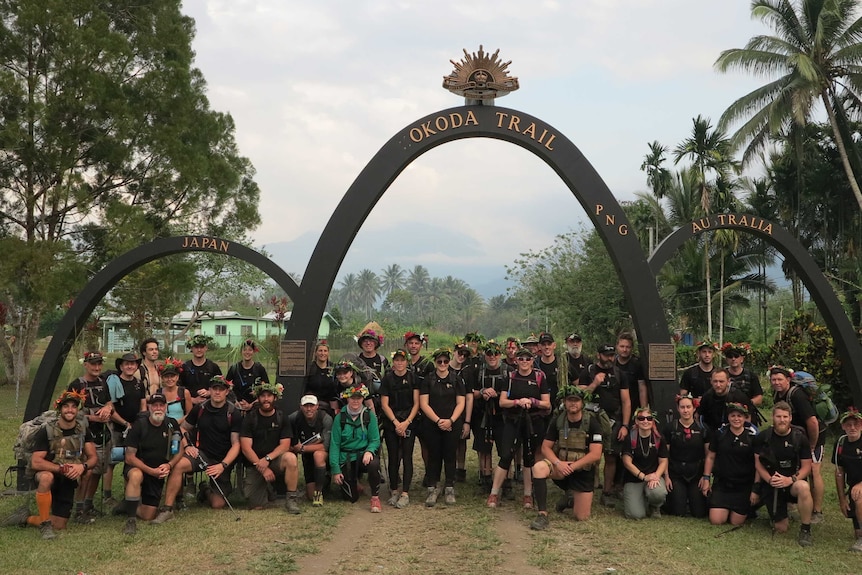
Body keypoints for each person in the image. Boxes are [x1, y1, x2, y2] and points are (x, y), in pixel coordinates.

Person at [2, 390, 97, 539]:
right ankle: (45, 525)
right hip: (48, 473)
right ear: (60, 409)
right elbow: (36, 462)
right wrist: (60, 468)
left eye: (73, 406)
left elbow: (93, 458)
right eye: (66, 406)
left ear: (77, 409)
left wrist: (82, 467)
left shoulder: (83, 430)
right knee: (47, 477)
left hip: (68, 477)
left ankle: (26, 518)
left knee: (60, 525)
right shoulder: (46, 431)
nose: (70, 410)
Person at [151, 375, 242, 524]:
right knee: (178, 465)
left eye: (221, 389)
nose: (217, 392)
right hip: (201, 454)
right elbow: (182, 427)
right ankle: (167, 509)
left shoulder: (233, 413)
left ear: (227, 391)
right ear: (209, 390)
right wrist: (187, 445)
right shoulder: (200, 408)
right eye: (214, 389)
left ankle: (205, 489)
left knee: (218, 504)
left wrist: (223, 465)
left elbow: (236, 444)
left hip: (222, 459)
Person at [530, 385, 603, 529]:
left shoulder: (592, 422)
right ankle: (542, 514)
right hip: (561, 467)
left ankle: (569, 500)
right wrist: (558, 463)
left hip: (582, 471)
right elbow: (545, 447)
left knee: (581, 517)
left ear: (582, 403)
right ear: (565, 402)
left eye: (576, 400)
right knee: (539, 468)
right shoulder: (558, 420)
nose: (573, 403)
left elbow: (595, 454)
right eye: (570, 400)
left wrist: (572, 466)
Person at [488, 348, 551, 510]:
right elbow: (502, 402)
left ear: (532, 361)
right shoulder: (510, 377)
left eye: (527, 359)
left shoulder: (539, 377)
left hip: (533, 422)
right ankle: (494, 492)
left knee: (529, 458)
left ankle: (528, 495)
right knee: (506, 455)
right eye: (521, 359)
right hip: (512, 421)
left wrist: (532, 401)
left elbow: (547, 403)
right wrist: (517, 402)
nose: (524, 362)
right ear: (516, 361)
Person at [120, 393, 183, 535]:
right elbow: (129, 457)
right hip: (140, 466)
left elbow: (180, 450)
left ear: (166, 407)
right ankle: (131, 521)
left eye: (161, 405)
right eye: (155, 405)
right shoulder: (139, 425)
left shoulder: (172, 423)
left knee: (148, 515)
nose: (158, 408)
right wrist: (150, 471)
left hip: (158, 472)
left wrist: (170, 465)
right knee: (136, 475)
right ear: (149, 407)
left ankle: (129, 503)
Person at [754, 400, 815, 546]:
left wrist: (790, 479)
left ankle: (806, 529)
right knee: (781, 528)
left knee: (803, 487)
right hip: (771, 484)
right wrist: (769, 480)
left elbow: (807, 467)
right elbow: (758, 464)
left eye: (785, 417)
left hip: (791, 483)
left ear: (790, 418)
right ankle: (780, 514)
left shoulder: (800, 437)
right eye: (778, 416)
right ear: (773, 417)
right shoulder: (763, 437)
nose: (782, 420)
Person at [770, 365, 825, 523]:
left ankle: (817, 511)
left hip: (814, 435)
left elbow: (813, 422)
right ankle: (792, 502)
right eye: (773, 380)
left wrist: (812, 445)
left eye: (780, 379)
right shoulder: (777, 394)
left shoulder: (796, 395)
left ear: (788, 380)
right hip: (797, 437)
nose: (776, 382)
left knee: (813, 470)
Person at [580, 343, 630, 505]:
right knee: (589, 456)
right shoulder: (588, 372)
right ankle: (584, 488)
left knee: (611, 456)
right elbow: (579, 396)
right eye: (606, 355)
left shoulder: (619, 374)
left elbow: (626, 401)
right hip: (591, 418)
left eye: (611, 355)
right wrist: (594, 383)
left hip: (614, 420)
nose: (609, 358)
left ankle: (607, 492)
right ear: (598, 355)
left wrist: (625, 425)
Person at [66, 351, 113, 523]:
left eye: (99, 363)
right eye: (93, 364)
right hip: (84, 435)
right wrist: (93, 417)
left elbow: (109, 401)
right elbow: (68, 412)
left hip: (103, 433)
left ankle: (88, 503)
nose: (97, 367)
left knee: (98, 470)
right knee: (87, 471)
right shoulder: (76, 384)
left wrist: (108, 408)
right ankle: (77, 507)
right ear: (85, 364)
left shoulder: (103, 382)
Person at [420, 347, 467, 507]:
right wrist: (438, 421)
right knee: (434, 455)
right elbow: (423, 403)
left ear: (448, 362)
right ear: (435, 362)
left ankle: (449, 487)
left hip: (452, 423)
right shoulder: (428, 380)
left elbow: (461, 403)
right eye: (439, 361)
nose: (442, 364)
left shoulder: (456, 379)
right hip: (432, 423)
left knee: (450, 455)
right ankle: (432, 488)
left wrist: (451, 421)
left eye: (445, 361)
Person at [240, 380, 296, 512]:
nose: (266, 399)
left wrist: (267, 459)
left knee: (291, 458)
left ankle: (292, 499)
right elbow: (246, 448)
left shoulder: (282, 417)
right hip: (255, 463)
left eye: (269, 396)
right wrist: (262, 468)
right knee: (256, 505)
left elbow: (285, 445)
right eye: (263, 396)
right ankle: (269, 489)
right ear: (258, 398)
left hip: (274, 460)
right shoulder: (250, 418)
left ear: (275, 398)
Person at [701, 402, 759, 526]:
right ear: (728, 417)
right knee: (716, 521)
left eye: (739, 416)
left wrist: (755, 489)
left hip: (743, 486)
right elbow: (710, 457)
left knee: (735, 522)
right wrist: (706, 478)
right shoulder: (720, 434)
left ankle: (747, 509)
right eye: (733, 415)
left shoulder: (752, 436)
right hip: (722, 484)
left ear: (745, 418)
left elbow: (758, 464)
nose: (736, 419)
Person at [330, 384, 382, 513]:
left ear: (362, 399)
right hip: (346, 458)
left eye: (358, 398)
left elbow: (375, 439)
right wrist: (335, 469)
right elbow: (335, 444)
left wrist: (369, 451)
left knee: (374, 463)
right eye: (352, 398)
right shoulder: (339, 418)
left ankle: (375, 497)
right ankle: (355, 484)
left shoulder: (369, 416)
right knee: (351, 498)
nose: (355, 401)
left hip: (362, 455)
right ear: (347, 398)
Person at [104, 352, 146, 508]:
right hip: (116, 427)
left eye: (133, 364)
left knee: (132, 461)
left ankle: (129, 493)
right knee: (112, 461)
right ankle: (107, 496)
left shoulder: (138, 383)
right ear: (121, 366)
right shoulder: (113, 382)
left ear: (136, 366)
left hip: (135, 428)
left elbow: (143, 404)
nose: (130, 366)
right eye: (127, 364)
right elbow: (110, 407)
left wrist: (140, 422)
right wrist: (125, 423)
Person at [379, 349, 420, 508]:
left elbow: (416, 403)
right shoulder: (387, 379)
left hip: (409, 421)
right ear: (393, 362)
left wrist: (407, 422)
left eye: (402, 360)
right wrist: (396, 423)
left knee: (407, 456)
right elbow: (384, 404)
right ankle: (394, 490)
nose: (399, 363)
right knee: (393, 457)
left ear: (406, 361)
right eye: (396, 360)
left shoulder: (413, 378)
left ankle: (405, 493)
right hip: (392, 422)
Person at [662, 394, 709, 518]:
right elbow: (664, 455)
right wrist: (666, 476)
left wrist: (705, 477)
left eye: (688, 407)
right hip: (676, 473)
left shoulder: (703, 429)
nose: (685, 410)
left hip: (696, 474)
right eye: (682, 407)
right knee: (678, 512)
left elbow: (708, 455)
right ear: (678, 408)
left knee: (699, 513)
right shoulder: (670, 428)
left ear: (694, 408)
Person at [472, 341, 508, 492]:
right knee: (484, 448)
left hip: (503, 416)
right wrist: (482, 392)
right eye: (489, 354)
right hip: (482, 415)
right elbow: (471, 392)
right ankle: (485, 478)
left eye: (495, 354)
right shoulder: (478, 371)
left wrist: (497, 394)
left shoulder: (508, 371)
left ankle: (507, 481)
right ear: (484, 355)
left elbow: (515, 392)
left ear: (500, 355)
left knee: (505, 449)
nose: (492, 357)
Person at [621, 406, 668, 519]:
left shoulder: (658, 438)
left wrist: (656, 476)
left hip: (653, 477)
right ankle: (639, 500)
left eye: (649, 418)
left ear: (653, 421)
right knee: (635, 515)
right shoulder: (630, 438)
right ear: (636, 421)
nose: (645, 421)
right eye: (641, 418)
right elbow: (627, 462)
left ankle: (654, 506)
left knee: (658, 493)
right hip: (634, 479)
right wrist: (643, 477)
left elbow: (663, 461)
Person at [287, 395, 333, 506]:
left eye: (311, 406)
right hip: (306, 456)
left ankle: (319, 491)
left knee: (318, 455)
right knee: (309, 496)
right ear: (300, 407)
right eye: (306, 406)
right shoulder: (293, 418)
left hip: (323, 454)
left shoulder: (325, 419)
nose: (309, 409)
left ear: (317, 406)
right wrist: (292, 447)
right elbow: (287, 437)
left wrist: (303, 448)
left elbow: (325, 446)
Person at [833, 407, 862, 552]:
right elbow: (839, 472)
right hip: (852, 487)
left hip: (859, 488)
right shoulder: (841, 443)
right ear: (843, 426)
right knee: (857, 533)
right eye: (848, 424)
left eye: (856, 424)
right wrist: (842, 499)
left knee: (859, 497)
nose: (852, 428)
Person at [449, 342, 475, 484]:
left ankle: (461, 469)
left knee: (461, 442)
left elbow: (469, 396)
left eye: (465, 355)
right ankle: (449, 469)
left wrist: (467, 421)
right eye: (460, 353)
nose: (461, 357)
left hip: (462, 411)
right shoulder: (444, 367)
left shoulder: (467, 372)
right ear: (454, 352)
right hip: (446, 410)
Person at [226, 338, 269, 412]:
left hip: (255, 409)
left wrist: (251, 405)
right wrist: (235, 402)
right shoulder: (234, 369)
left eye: (250, 350)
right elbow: (225, 388)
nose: (247, 352)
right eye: (245, 350)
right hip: (236, 408)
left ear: (254, 352)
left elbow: (267, 390)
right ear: (241, 352)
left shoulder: (259, 369)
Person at [180, 334, 223, 406]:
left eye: (201, 347)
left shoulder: (213, 367)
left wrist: (209, 392)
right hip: (189, 407)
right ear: (191, 348)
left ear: (206, 348)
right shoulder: (185, 367)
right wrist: (192, 400)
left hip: (210, 407)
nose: (199, 350)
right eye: (196, 347)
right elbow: (178, 389)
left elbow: (222, 386)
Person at [721, 342, 764, 407]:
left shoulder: (751, 376)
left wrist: (745, 404)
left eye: (736, 356)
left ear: (742, 359)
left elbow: (759, 398)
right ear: (726, 360)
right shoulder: (721, 375)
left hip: (746, 412)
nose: (733, 359)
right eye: (730, 356)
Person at [615, 332, 649, 409]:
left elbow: (642, 388)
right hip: (616, 406)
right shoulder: (612, 363)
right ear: (617, 346)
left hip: (633, 405)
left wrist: (644, 409)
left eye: (628, 347)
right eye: (622, 346)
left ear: (632, 348)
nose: (624, 349)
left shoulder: (637, 364)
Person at [304, 340, 337, 417]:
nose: (323, 353)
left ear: (328, 353)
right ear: (316, 353)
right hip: (312, 404)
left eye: (325, 351)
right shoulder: (309, 369)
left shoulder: (333, 368)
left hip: (330, 404)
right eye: (320, 351)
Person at [156, 358, 193, 426]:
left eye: (172, 376)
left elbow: (190, 415)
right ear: (162, 378)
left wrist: (176, 422)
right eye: (166, 377)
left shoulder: (184, 392)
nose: (170, 379)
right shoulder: (159, 393)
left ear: (177, 377)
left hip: (181, 427)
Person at [536, 332, 560, 410]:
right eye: (544, 344)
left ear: (554, 345)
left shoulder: (562, 364)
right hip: (539, 408)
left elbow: (577, 383)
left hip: (559, 407)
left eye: (549, 344)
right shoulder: (534, 365)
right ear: (539, 346)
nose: (546, 347)